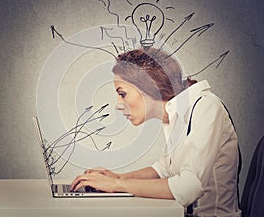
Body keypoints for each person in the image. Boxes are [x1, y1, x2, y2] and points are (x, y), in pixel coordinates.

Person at [71, 48, 241, 216]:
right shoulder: (175, 114)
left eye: (122, 94)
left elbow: (189, 187)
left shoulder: (206, 107)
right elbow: (164, 169)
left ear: (148, 86)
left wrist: (115, 184)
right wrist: (120, 178)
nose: (118, 104)